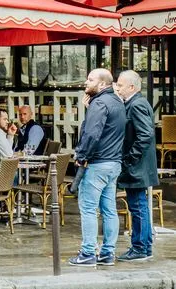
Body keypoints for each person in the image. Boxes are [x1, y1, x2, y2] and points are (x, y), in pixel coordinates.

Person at [68, 68, 126, 267]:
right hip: (114, 163)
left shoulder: (99, 103)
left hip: (97, 164)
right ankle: (108, 253)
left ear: (102, 84)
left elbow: (91, 133)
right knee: (109, 209)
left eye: (90, 79)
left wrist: (81, 156)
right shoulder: (118, 102)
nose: (86, 82)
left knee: (88, 208)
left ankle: (88, 252)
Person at [115, 70, 158, 261]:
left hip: (137, 167)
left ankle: (140, 248)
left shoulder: (137, 104)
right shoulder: (135, 103)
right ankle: (144, 246)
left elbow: (145, 135)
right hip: (138, 166)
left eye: (121, 85)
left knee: (138, 207)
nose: (118, 87)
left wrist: (129, 159)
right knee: (139, 206)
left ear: (132, 87)